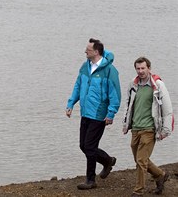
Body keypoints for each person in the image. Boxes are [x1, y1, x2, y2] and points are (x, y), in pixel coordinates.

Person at [66, 38, 121, 190]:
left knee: (90, 146)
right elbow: (78, 86)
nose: (85, 51)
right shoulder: (85, 67)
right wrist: (70, 103)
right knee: (83, 145)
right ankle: (107, 160)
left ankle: (91, 180)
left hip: (99, 115)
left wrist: (111, 114)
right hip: (85, 113)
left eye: (88, 50)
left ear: (96, 52)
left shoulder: (110, 70)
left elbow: (115, 94)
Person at [123, 57, 174, 196]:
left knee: (140, 161)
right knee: (140, 159)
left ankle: (138, 191)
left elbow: (168, 109)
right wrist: (126, 124)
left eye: (143, 68)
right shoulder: (133, 85)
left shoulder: (157, 85)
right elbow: (128, 105)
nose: (140, 71)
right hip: (135, 128)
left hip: (149, 129)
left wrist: (165, 130)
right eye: (138, 69)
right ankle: (161, 175)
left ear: (149, 68)